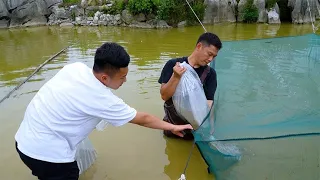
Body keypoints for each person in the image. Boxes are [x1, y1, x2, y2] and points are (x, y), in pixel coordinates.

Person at [14, 42, 193, 180]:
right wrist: (172, 126)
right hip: (49, 158)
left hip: (23, 143)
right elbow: (143, 119)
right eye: (122, 77)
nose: (125, 80)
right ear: (105, 77)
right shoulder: (102, 100)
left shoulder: (74, 68)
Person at [158, 32, 222, 140]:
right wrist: (176, 77)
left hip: (195, 132)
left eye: (214, 56)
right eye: (209, 54)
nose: (211, 59)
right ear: (199, 46)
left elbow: (209, 104)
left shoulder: (210, 74)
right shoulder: (173, 65)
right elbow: (164, 96)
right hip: (173, 128)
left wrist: (209, 130)